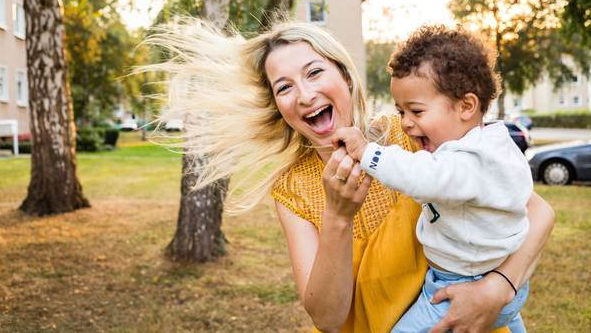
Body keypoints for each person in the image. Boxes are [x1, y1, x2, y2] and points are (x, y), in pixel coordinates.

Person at [142, 19, 554, 332]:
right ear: (278, 105)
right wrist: (338, 217)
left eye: (314, 73)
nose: (303, 95)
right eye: (283, 87)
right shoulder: (293, 190)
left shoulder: (411, 136)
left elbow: (535, 212)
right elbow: (327, 317)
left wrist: (498, 288)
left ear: (344, 74)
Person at [333, 25, 532, 332]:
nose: (407, 124)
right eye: (401, 112)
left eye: (416, 111)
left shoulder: (470, 161)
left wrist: (367, 152)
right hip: (486, 275)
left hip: (465, 283)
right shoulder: (492, 144)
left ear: (466, 106)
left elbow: (422, 175)